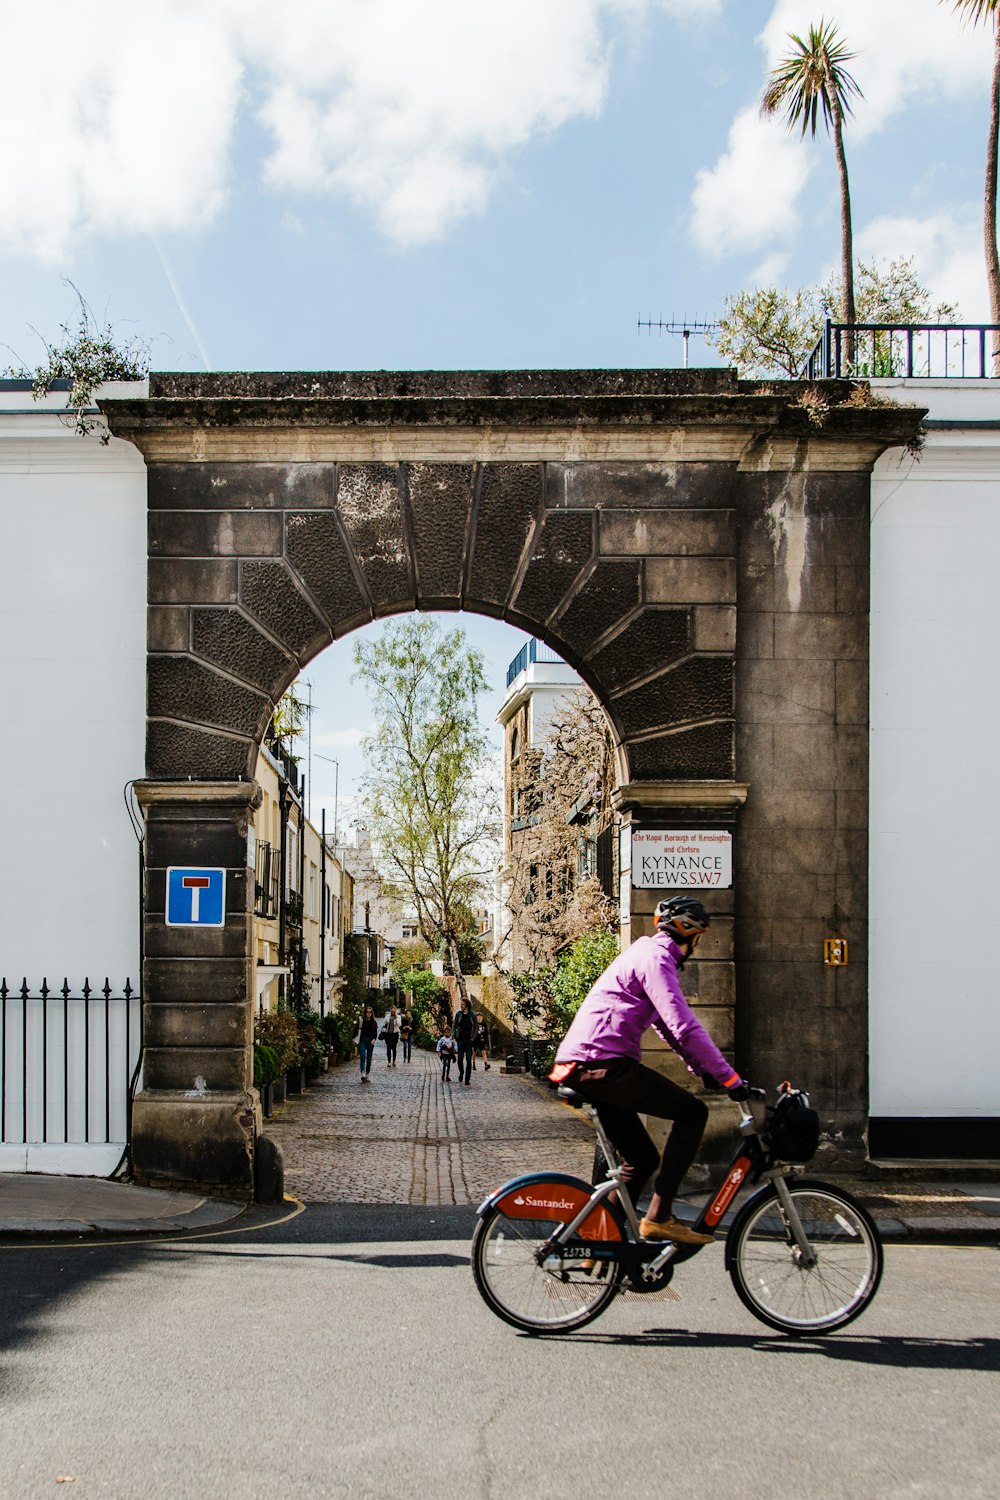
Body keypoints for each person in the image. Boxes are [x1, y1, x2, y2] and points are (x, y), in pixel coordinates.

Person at [549, 896, 748, 1246]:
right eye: (698, 937)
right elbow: (684, 1026)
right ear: (689, 933)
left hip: (588, 1064)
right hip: (602, 1063)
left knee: (640, 1160)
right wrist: (731, 1078)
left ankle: (598, 1244)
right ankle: (659, 1217)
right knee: (692, 1113)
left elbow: (666, 1027)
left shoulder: (645, 955)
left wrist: (700, 1067)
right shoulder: (657, 960)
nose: (697, 945)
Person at [453, 997, 475, 1086]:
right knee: (460, 1059)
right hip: (460, 1040)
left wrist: (473, 1037)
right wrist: (454, 1036)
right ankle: (461, 1072)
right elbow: (454, 1025)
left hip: (469, 1040)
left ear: (466, 1005)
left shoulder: (472, 1014)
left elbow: (476, 1026)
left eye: (462, 1004)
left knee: (469, 1060)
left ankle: (467, 1079)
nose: (460, 1006)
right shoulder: (458, 1014)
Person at [357, 1004, 378, 1083]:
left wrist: (374, 1039)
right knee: (362, 1056)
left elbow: (375, 1033)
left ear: (372, 1013)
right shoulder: (361, 1021)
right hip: (363, 1040)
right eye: (367, 1012)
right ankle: (362, 1072)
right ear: (365, 1013)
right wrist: (353, 1038)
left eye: (370, 1012)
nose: (368, 1013)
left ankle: (367, 1073)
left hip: (370, 1041)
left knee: (369, 1058)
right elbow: (357, 1029)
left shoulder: (374, 1022)